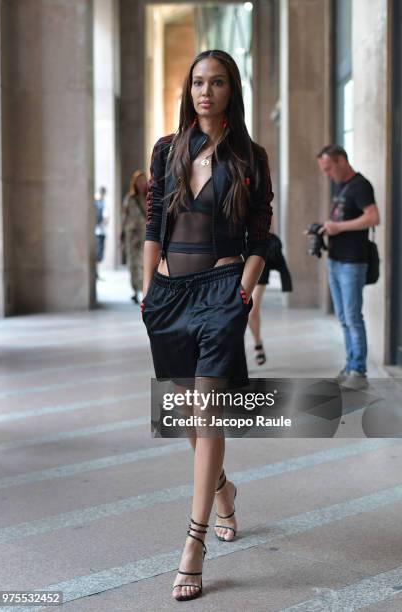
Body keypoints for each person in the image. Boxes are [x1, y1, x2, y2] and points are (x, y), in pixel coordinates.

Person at [141, 49, 273, 602]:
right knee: (187, 415)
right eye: (198, 82)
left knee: (207, 406)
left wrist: (243, 289)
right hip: (170, 294)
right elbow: (154, 220)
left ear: (230, 90)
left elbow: (263, 233)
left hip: (222, 294)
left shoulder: (250, 155)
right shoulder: (168, 150)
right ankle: (221, 486)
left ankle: (193, 544)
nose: (205, 91)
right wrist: (149, 290)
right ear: (188, 89)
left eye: (217, 83)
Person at [317, 145, 380, 390]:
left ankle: (359, 370)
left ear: (342, 160)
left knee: (353, 317)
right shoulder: (340, 186)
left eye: (329, 168)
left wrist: (339, 228)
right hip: (335, 259)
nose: (327, 174)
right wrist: (325, 227)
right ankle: (350, 364)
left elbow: (373, 217)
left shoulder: (361, 185)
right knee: (343, 317)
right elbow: (342, 218)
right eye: (324, 170)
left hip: (352, 262)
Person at [248, 234, 292, 366]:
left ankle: (257, 343)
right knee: (236, 312)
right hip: (237, 260)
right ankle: (238, 355)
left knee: (251, 310)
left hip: (258, 262)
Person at [121, 170, 147, 304]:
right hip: (133, 236)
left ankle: (144, 290)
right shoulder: (130, 199)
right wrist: (125, 236)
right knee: (133, 264)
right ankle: (135, 290)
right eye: (139, 182)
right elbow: (125, 219)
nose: (142, 184)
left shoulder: (150, 198)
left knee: (145, 264)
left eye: (144, 181)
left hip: (147, 237)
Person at [94, 186, 108, 268]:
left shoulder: (99, 202)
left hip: (99, 230)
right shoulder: (101, 202)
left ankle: (96, 271)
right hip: (99, 230)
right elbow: (105, 219)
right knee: (99, 254)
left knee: (99, 253)